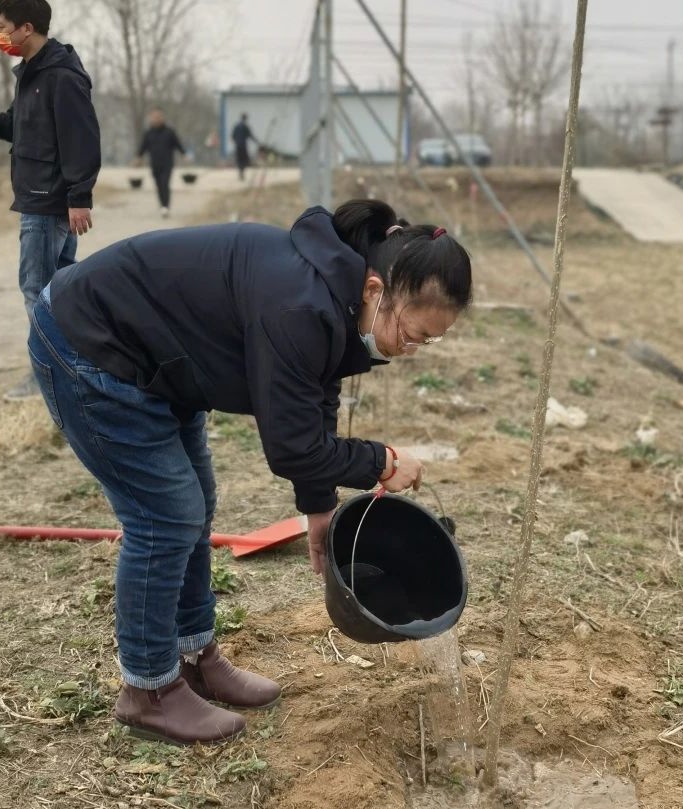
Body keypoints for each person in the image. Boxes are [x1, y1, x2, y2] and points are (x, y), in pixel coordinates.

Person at [27, 199, 471, 745]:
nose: (412, 350)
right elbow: (291, 447)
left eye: (430, 340)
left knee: (196, 503)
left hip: (162, 357)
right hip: (91, 345)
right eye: (414, 334)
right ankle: (147, 691)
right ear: (378, 291)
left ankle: (193, 657)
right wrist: (381, 461)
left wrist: (319, 507)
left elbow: (316, 392)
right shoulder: (300, 304)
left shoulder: (337, 292)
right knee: (166, 517)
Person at [0, 0, 100, 401]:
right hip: (39, 199)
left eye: (2, 26)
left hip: (47, 204)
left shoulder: (61, 77)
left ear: (25, 28)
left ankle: (46, 376)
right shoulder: (32, 74)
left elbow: (81, 137)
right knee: (59, 292)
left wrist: (79, 196)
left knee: (38, 291)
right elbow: (15, 127)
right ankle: (74, 368)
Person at [136, 108, 186, 218]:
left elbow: (178, 144)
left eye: (158, 117)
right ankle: (162, 205)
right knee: (158, 186)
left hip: (167, 164)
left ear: (162, 118)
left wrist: (184, 154)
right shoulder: (148, 133)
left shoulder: (169, 132)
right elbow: (143, 147)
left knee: (165, 184)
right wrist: (139, 157)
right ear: (151, 118)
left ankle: (165, 206)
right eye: (154, 117)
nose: (156, 119)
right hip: (154, 164)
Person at [231, 113, 258, 181]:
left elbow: (233, 136)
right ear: (245, 119)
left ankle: (240, 172)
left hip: (237, 145)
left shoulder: (236, 126)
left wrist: (236, 142)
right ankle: (242, 172)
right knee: (244, 159)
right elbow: (250, 135)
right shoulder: (245, 127)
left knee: (239, 159)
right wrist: (257, 142)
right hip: (243, 145)